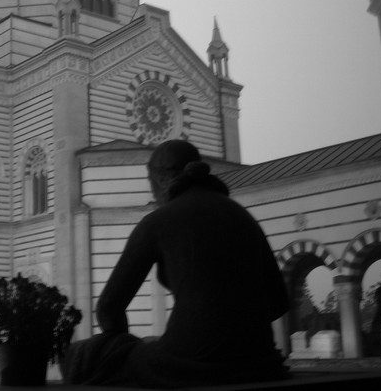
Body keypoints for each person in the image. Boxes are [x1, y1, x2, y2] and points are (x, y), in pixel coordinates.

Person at [63, 139, 289, 387]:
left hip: (187, 360)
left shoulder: (157, 221)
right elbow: (278, 301)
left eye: (150, 184)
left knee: (80, 354)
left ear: (160, 179)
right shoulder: (242, 216)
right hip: (259, 360)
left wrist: (120, 343)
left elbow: (108, 307)